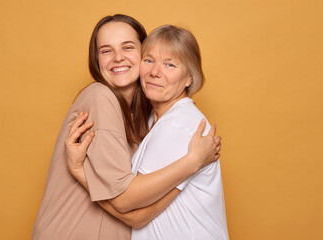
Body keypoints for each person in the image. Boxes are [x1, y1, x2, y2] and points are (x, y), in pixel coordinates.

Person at [32, 15, 221, 240]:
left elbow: (138, 215)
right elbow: (126, 200)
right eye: (106, 51)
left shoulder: (147, 119)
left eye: (128, 47)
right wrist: (193, 162)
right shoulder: (101, 97)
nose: (118, 58)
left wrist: (80, 172)